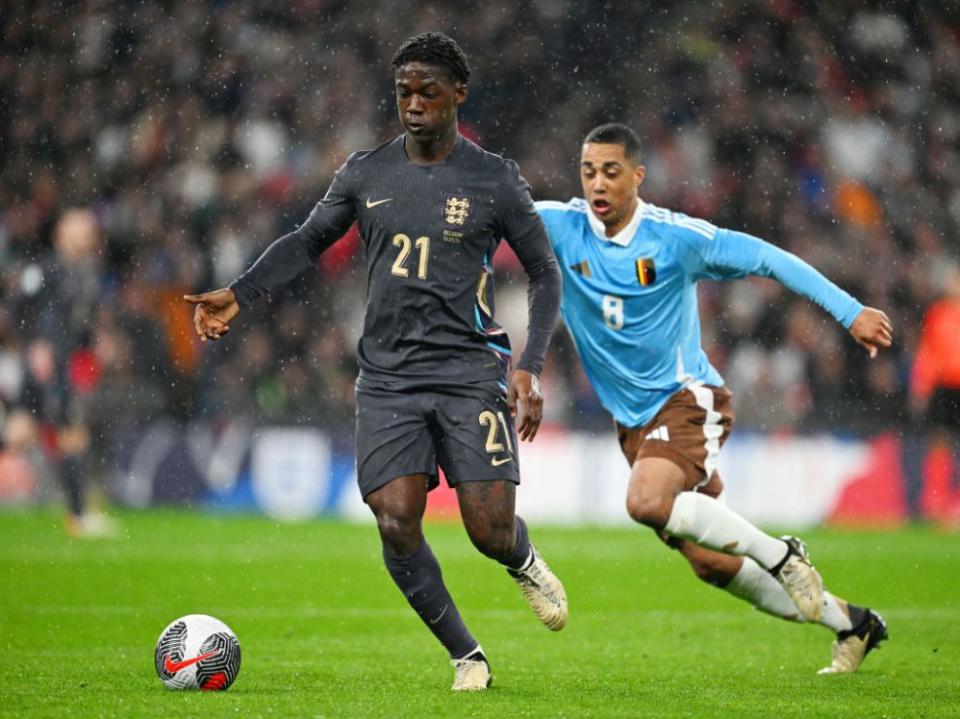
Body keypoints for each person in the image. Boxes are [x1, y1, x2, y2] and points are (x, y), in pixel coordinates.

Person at [185, 32, 567, 691]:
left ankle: (523, 559)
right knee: (395, 520)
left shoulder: (493, 177)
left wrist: (529, 364)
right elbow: (308, 242)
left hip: (470, 372)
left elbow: (544, 273)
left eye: (427, 92)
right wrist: (240, 292)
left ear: (457, 94)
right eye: (403, 92)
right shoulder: (366, 172)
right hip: (388, 377)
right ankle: (467, 654)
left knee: (489, 530)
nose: (413, 104)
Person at [535, 123, 892, 674]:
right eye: (588, 172)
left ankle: (782, 554)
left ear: (638, 175)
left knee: (645, 502)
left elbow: (769, 259)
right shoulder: (559, 227)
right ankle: (852, 622)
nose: (597, 184)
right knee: (709, 563)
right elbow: (490, 216)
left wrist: (850, 312)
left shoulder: (675, 238)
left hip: (686, 399)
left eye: (610, 171)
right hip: (632, 423)